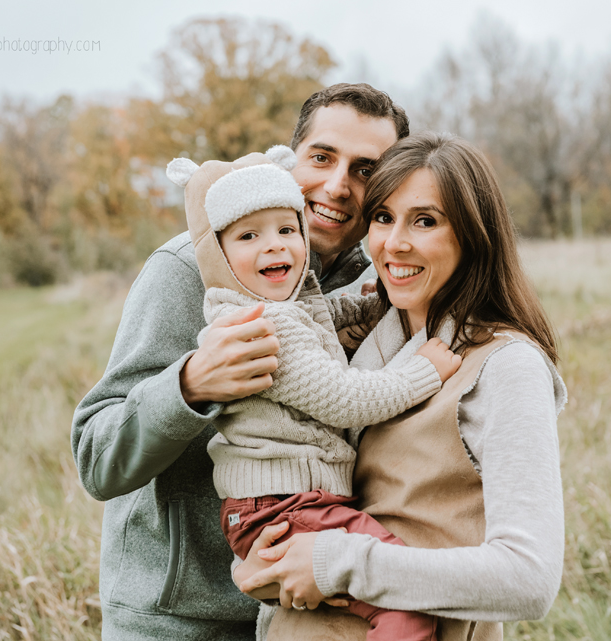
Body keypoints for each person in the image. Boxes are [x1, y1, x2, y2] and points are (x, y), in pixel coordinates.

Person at [70, 83, 409, 641]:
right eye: (321, 158)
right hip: (180, 619)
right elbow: (95, 457)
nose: (335, 185)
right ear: (290, 157)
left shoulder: (374, 284)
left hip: (304, 608)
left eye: (365, 169)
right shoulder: (187, 271)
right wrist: (190, 385)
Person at [236, 132, 568, 641]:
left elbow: (529, 578)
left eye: (426, 221)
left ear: (474, 235)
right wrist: (258, 566)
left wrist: (337, 561)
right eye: (384, 218)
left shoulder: (506, 365)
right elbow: (312, 510)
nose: (394, 244)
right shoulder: (359, 347)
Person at [165, 143, 464, 641]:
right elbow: (343, 398)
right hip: (285, 507)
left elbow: (322, 316)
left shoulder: (280, 302)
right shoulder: (258, 327)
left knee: (374, 599)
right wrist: (424, 371)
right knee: (404, 600)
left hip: (284, 504)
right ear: (217, 252)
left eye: (287, 229)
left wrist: (369, 308)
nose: (276, 245)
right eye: (248, 235)